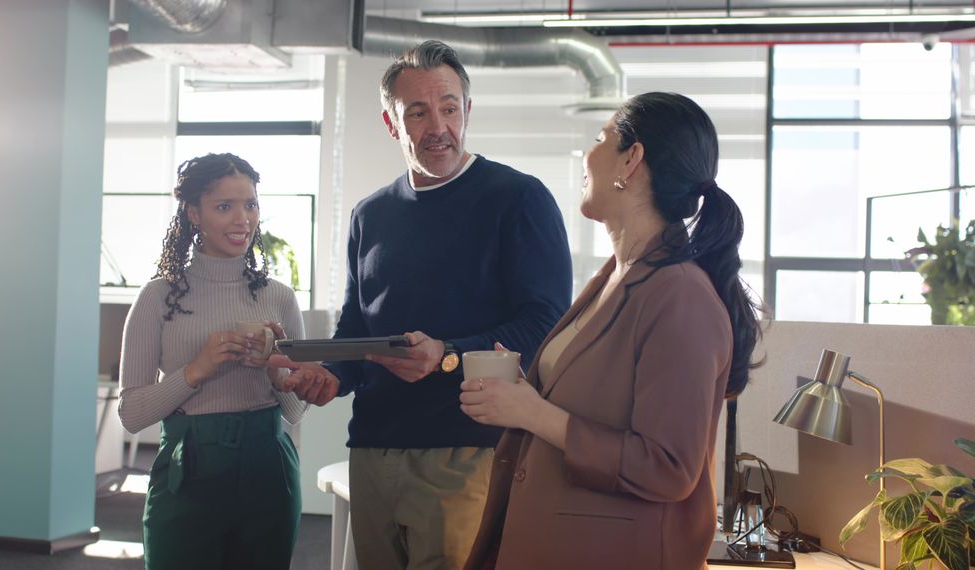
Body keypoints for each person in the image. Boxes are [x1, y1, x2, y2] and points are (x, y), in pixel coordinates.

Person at [460, 92, 763, 570]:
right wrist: (527, 394)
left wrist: (534, 413)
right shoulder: (614, 277)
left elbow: (668, 467)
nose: (587, 155)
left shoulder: (680, 294)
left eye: (600, 139)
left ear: (631, 159)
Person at [323, 40, 573, 570]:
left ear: (467, 111)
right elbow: (357, 326)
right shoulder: (369, 214)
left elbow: (546, 325)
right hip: (372, 447)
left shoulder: (518, 198)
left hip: (469, 449)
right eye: (417, 112)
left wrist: (448, 354)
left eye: (449, 108)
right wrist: (329, 375)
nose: (438, 126)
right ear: (391, 124)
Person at [117, 152, 338, 570]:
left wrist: (277, 368)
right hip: (188, 466)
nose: (242, 219)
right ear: (193, 213)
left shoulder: (279, 296)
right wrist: (196, 370)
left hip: (267, 464)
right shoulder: (157, 297)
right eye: (224, 206)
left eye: (250, 205)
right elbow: (131, 415)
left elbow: (295, 412)